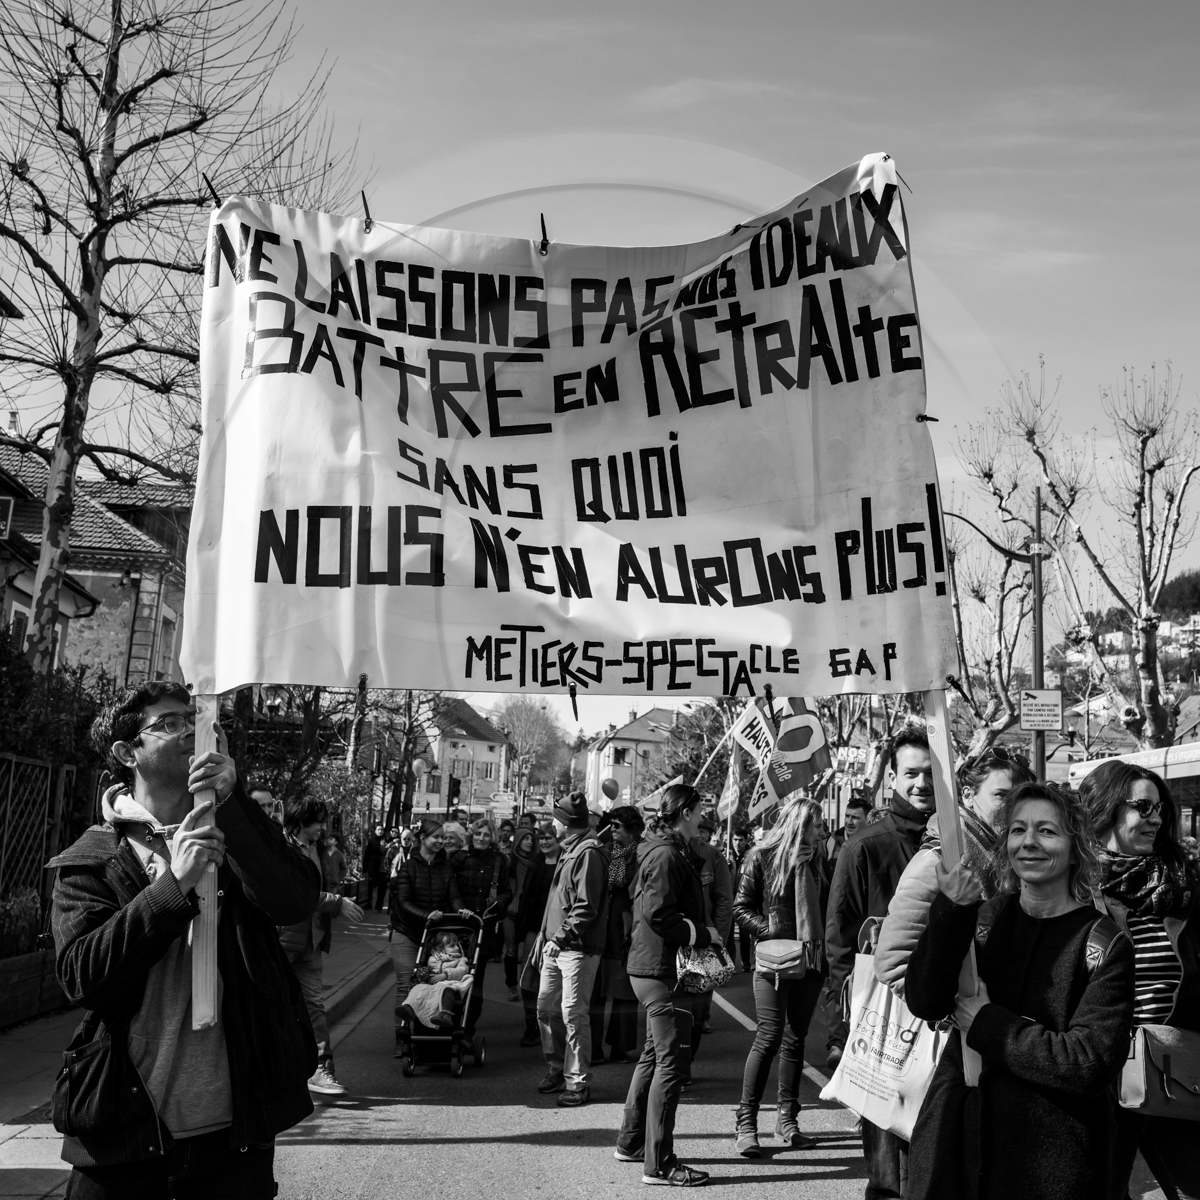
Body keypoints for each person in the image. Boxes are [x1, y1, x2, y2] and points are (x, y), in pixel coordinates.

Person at [50, 682, 318, 1198]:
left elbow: (295, 901)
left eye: (194, 721)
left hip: (235, 1135)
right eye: (169, 724)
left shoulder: (233, 830)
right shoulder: (93, 858)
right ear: (127, 753)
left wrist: (233, 802)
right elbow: (84, 977)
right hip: (126, 1134)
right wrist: (175, 885)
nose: (191, 732)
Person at [904, 782, 1135, 1200]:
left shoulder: (1104, 943)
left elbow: (1088, 1063)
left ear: (1076, 847)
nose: (1028, 842)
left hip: (1049, 1165)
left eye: (1047, 831)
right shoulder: (984, 918)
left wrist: (987, 1023)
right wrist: (951, 911)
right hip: (957, 1151)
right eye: (1017, 830)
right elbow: (924, 1000)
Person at [1079, 761, 1200, 1200]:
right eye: (1143, 807)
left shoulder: (1183, 886)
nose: (1156, 819)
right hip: (1104, 1080)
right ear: (1105, 809)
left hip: (1175, 1069)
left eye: (1160, 808)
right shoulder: (1074, 891)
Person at [826, 727, 935, 1196]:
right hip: (883, 1022)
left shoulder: (958, 841)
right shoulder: (864, 846)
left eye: (930, 773)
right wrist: (848, 1023)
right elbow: (838, 940)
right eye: (910, 773)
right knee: (889, 1167)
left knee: (933, 1155)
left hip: (943, 1016)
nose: (921, 783)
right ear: (891, 777)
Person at [615, 784, 719, 1188]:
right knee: (671, 1064)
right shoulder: (665, 853)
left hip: (653, 967)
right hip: (660, 970)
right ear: (686, 812)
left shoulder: (664, 848)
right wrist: (703, 934)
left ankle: (631, 1143)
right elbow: (659, 915)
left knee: (652, 1056)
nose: (702, 817)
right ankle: (659, 1165)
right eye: (700, 810)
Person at [875, 746, 1035, 998]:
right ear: (968, 795)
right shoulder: (941, 860)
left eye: (1021, 798)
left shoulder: (1004, 856)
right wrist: (954, 1010)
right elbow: (894, 964)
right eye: (1001, 795)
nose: (1013, 808)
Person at [730, 797, 827, 1156]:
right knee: (768, 1036)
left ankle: (787, 1121)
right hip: (774, 961)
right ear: (801, 825)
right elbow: (741, 908)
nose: (822, 832)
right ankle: (746, 1123)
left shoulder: (820, 860)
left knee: (796, 1039)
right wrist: (769, 930)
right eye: (817, 825)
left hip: (812, 959)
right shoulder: (761, 857)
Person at [278, 799, 365, 1096]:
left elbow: (318, 888)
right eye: (317, 821)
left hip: (312, 939)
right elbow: (292, 892)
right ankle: (276, 1072)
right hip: (282, 939)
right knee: (274, 1005)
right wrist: (336, 903)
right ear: (300, 820)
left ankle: (320, 1069)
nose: (323, 827)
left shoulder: (319, 849)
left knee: (314, 1005)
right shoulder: (282, 847)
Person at [536, 793, 609, 1107]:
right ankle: (558, 1067)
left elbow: (586, 906)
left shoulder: (588, 853)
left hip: (576, 947)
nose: (551, 824)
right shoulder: (570, 849)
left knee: (572, 1014)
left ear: (566, 823)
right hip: (557, 945)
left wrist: (559, 938)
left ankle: (577, 1081)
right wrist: (545, 936)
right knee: (546, 1009)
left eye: (555, 818)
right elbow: (557, 900)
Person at [389, 818, 467, 1054]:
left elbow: (453, 896)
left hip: (433, 936)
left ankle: (426, 1034)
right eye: (436, 837)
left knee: (432, 982)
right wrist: (426, 915)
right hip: (407, 932)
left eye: (443, 837)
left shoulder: (446, 868)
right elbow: (403, 901)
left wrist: (462, 910)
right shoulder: (408, 866)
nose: (441, 841)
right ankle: (402, 1036)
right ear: (422, 838)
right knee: (406, 984)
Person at [682, 809, 733, 1080]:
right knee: (671, 1010)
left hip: (704, 945)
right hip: (673, 942)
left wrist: (718, 939)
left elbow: (724, 900)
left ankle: (685, 1063)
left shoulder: (713, 857)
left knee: (697, 1013)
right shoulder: (663, 851)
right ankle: (672, 1066)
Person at [591, 805, 644, 1065]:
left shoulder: (642, 853)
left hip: (626, 929)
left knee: (624, 990)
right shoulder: (604, 851)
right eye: (610, 824)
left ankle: (620, 1047)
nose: (611, 829)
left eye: (617, 825)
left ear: (632, 829)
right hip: (600, 927)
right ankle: (593, 1046)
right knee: (595, 990)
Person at [452, 818, 512, 1039]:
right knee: (455, 976)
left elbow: (507, 891)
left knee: (476, 981)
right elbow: (451, 889)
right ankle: (451, 1023)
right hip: (459, 927)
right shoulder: (459, 858)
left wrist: (499, 903)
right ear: (472, 835)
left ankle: (467, 1029)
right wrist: (459, 908)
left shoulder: (499, 861)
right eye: (478, 834)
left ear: (492, 837)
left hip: (483, 929)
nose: (481, 838)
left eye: (486, 835)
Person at [726, 825, 755, 971]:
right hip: (729, 898)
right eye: (735, 840)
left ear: (746, 840)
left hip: (744, 899)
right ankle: (730, 963)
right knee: (729, 933)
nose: (737, 843)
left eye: (741, 840)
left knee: (745, 933)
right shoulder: (726, 854)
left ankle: (746, 962)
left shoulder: (751, 855)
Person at [826, 795, 872, 868]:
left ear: (868, 820)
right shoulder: (831, 842)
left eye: (855, 817)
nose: (849, 822)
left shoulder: (875, 844)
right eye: (847, 816)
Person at [363, 825, 386, 910]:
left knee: (381, 885)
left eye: (381, 830)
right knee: (371, 884)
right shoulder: (372, 841)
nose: (380, 831)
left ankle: (379, 903)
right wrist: (365, 868)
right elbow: (367, 854)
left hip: (382, 866)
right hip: (373, 865)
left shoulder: (386, 841)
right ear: (375, 831)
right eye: (378, 829)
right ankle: (369, 901)